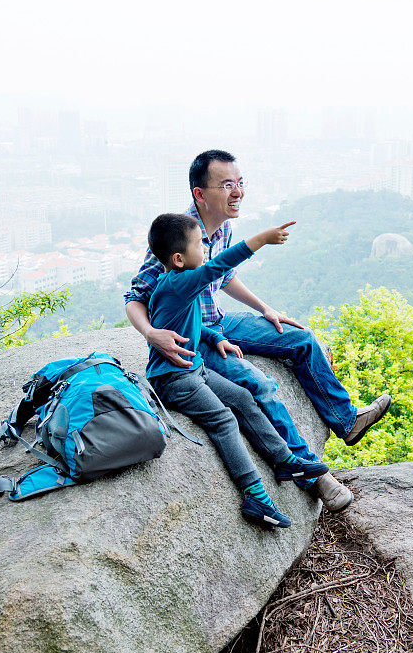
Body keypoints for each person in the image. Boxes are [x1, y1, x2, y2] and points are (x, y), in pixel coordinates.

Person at [125, 150, 391, 512]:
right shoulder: (179, 235)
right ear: (200, 194)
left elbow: (224, 276)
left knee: (299, 338)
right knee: (258, 385)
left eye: (240, 183)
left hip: (220, 322)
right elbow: (136, 296)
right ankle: (315, 477)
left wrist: (265, 309)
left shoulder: (222, 227)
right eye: (227, 185)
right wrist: (151, 334)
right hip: (192, 339)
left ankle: (346, 420)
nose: (237, 192)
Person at [145, 212, 331, 529]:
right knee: (223, 419)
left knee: (244, 398)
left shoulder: (176, 286)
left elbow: (183, 326)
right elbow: (221, 265)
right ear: (178, 258)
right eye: (198, 245)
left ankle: (285, 461)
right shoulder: (178, 283)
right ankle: (256, 496)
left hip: (196, 370)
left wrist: (217, 338)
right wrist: (261, 239)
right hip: (173, 379)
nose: (205, 250)